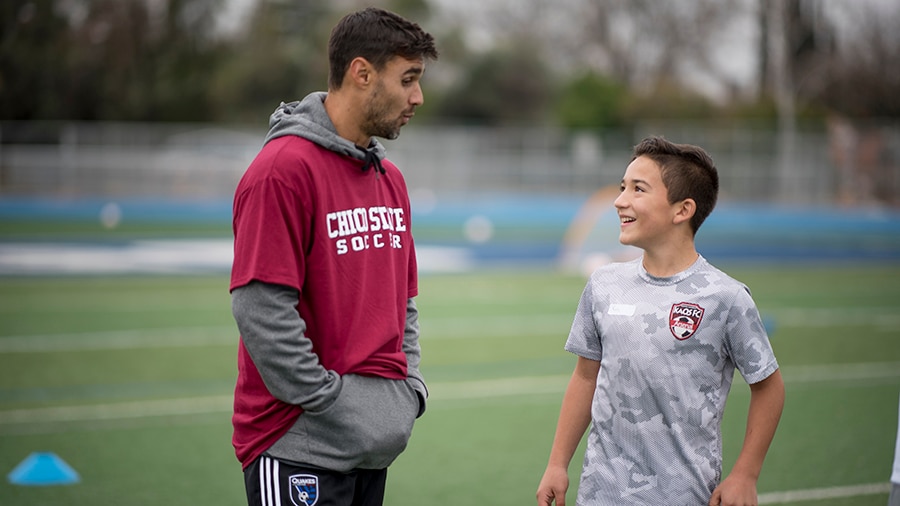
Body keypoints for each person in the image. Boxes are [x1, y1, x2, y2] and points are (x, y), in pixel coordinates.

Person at [229, 8, 438, 506]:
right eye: (407, 79)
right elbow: (262, 311)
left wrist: (408, 389)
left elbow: (403, 304)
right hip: (299, 447)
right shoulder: (282, 171)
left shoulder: (392, 181)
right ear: (361, 73)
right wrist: (331, 402)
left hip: (370, 450)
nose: (418, 97)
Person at [536, 136, 785, 506]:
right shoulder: (604, 284)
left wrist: (746, 474)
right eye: (622, 187)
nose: (620, 200)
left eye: (638, 189)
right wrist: (557, 463)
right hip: (600, 494)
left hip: (685, 496)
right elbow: (585, 376)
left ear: (682, 210)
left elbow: (769, 387)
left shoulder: (725, 297)